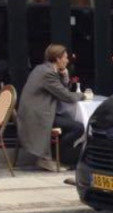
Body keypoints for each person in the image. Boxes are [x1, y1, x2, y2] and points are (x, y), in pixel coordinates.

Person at [19, 43, 85, 171]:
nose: (67, 60)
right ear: (57, 59)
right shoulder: (48, 74)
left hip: (39, 112)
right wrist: (83, 96)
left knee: (71, 125)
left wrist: (65, 76)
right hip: (38, 116)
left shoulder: (43, 69)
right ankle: (52, 158)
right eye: (65, 57)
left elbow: (60, 90)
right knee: (78, 127)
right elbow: (66, 96)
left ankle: (53, 156)